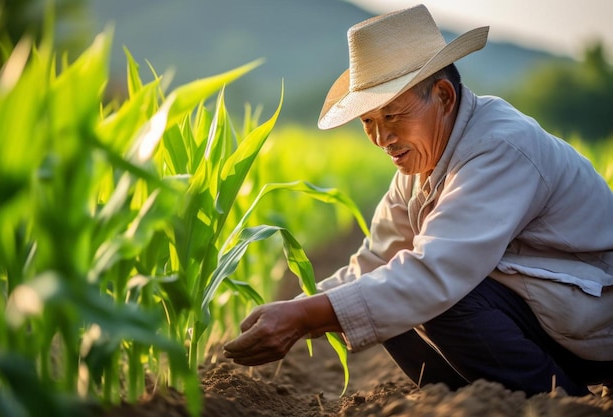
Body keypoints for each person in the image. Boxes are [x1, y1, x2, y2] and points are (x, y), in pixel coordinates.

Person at [223, 4, 613, 397]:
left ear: (443, 96)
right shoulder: (419, 168)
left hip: (595, 324)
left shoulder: (499, 145)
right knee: (383, 294)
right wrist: (295, 307)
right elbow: (372, 263)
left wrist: (306, 317)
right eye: (369, 122)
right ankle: (471, 402)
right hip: (548, 316)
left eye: (393, 115)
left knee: (431, 296)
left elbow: (436, 274)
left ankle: (558, 402)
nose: (381, 138)